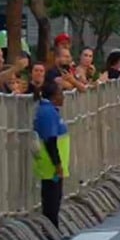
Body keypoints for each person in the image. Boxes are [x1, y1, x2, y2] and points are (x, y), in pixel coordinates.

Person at [33, 81, 69, 229]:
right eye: (61, 93)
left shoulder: (51, 110)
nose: (63, 97)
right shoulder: (47, 112)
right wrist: (57, 164)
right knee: (51, 200)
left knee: (55, 198)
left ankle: (53, 229)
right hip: (50, 165)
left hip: (52, 165)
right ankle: (50, 230)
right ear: (54, 96)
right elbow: (50, 141)